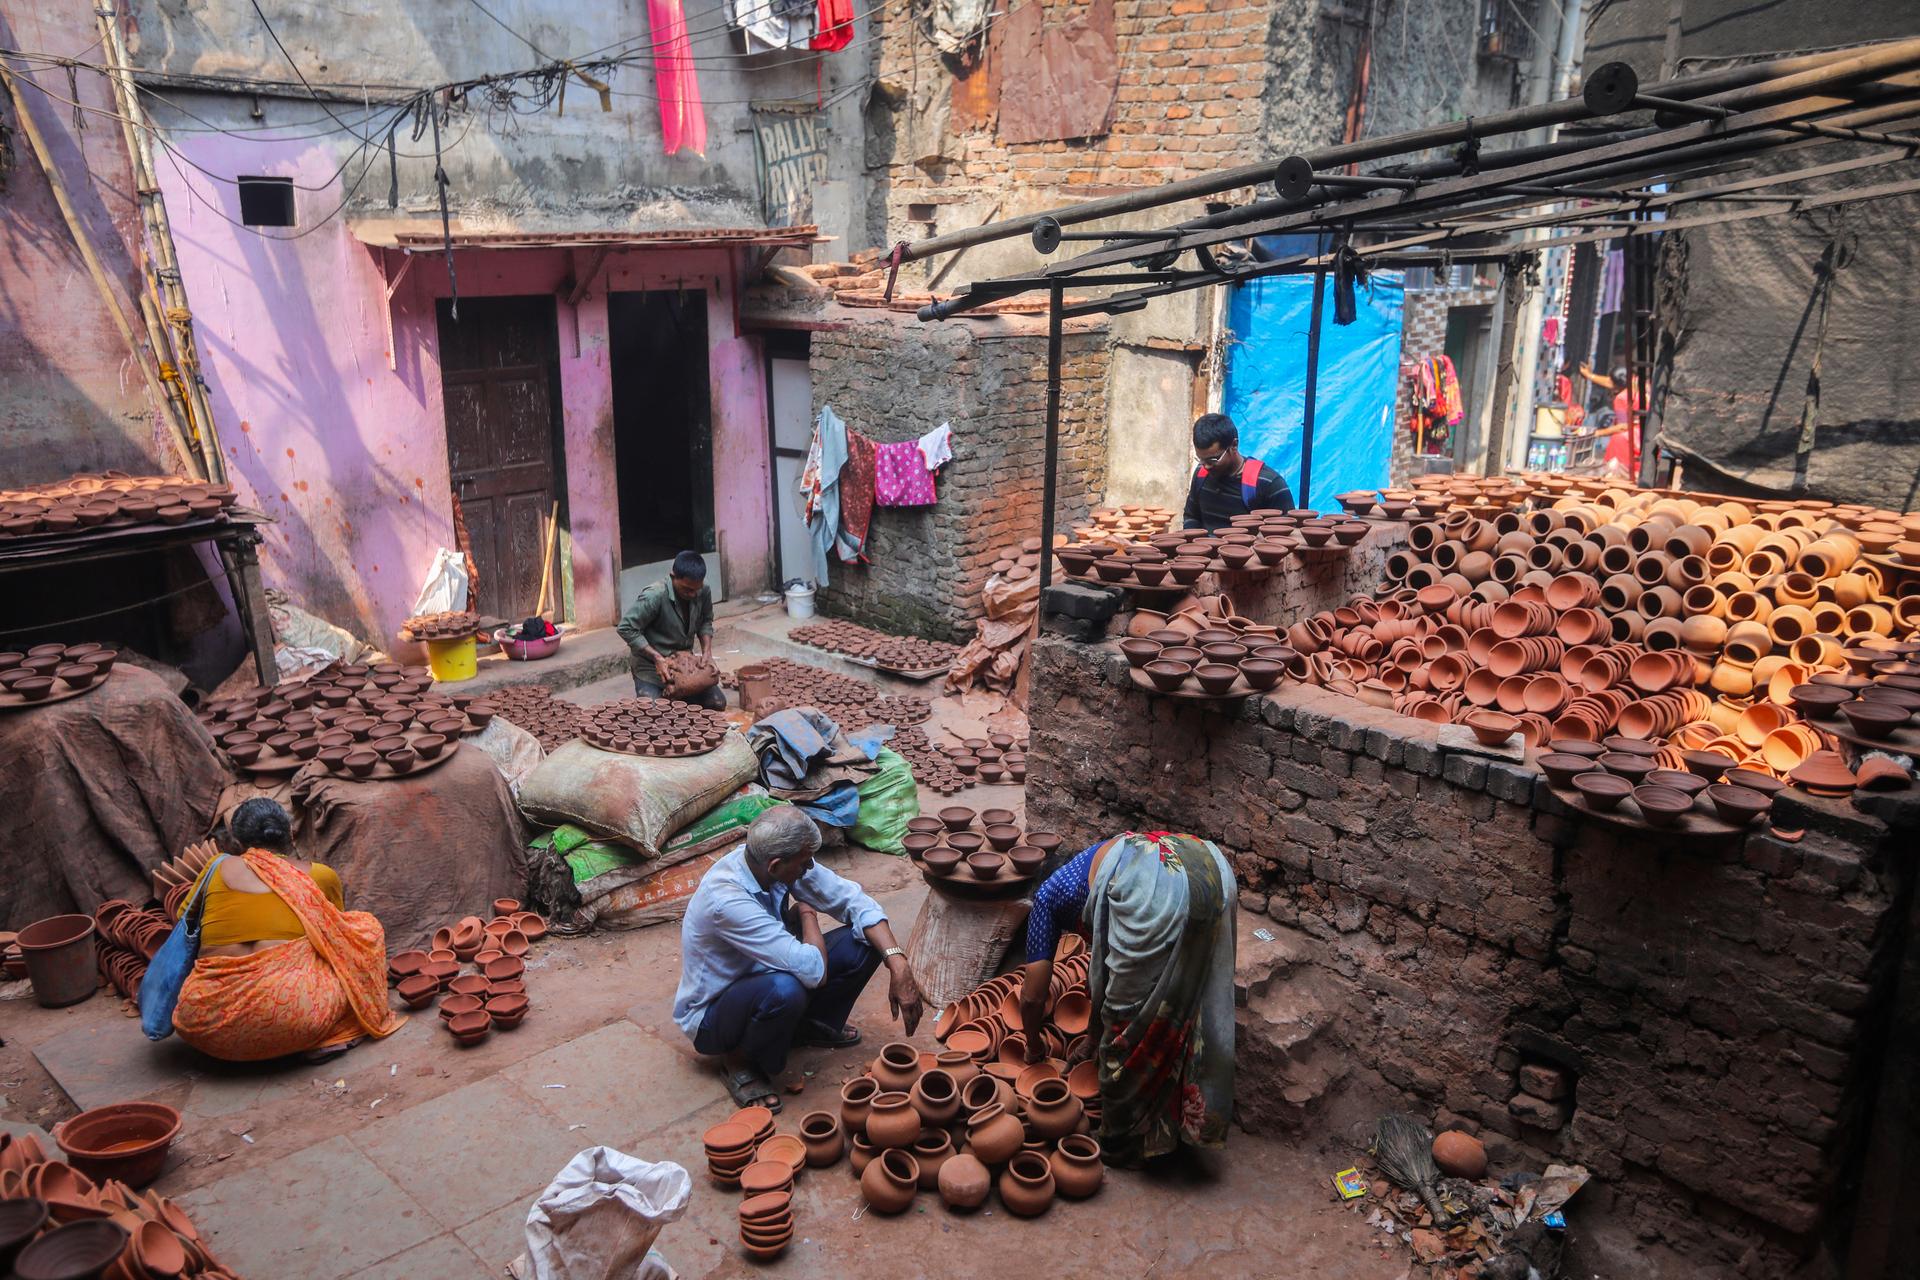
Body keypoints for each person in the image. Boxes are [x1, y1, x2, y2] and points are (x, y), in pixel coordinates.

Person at [673, 807, 924, 1111]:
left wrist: (897, 963)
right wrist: (808, 913)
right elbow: (812, 970)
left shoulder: (775, 864)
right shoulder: (726, 899)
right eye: (804, 864)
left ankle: (806, 1027)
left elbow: (856, 902)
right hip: (714, 1017)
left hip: (767, 972)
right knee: (785, 989)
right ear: (776, 865)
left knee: (867, 941)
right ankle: (739, 1061)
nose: (809, 869)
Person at [1019, 830, 1237, 1167]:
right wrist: (1090, 1040)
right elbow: (1102, 970)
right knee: (1188, 995)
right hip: (1210, 865)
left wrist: (1034, 1046)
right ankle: (1184, 1125)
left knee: (1128, 1030)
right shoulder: (1090, 862)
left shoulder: (1046, 898)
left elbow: (1033, 997)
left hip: (1156, 889)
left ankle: (1125, 1143)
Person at [171, 799, 403, 1063]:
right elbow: (338, 937)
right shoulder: (320, 875)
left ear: (237, 843)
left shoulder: (215, 869)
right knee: (363, 930)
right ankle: (314, 1039)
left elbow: (184, 922)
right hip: (295, 1017)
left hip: (204, 1025)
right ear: (290, 833)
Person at [615, 550, 724, 708]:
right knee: (655, 713)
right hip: (650, 666)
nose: (693, 594)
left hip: (683, 664)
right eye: (687, 589)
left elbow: (705, 621)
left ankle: (681, 691)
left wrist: (707, 652)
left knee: (717, 703)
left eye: (696, 589)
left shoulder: (703, 590)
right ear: (673, 577)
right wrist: (657, 658)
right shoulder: (655, 595)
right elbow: (626, 627)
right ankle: (663, 690)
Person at [1182, 413, 1294, 531]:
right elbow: (1191, 516)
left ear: (1234, 445)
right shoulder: (1201, 475)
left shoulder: (1269, 484)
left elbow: (1285, 532)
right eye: (1201, 459)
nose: (1206, 466)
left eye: (1213, 460)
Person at [1578, 364, 1644, 477]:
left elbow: (1623, 426)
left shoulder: (1621, 398)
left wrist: (1597, 433)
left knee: (1615, 472)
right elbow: (1612, 382)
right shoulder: (1641, 387)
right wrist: (1590, 375)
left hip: (1628, 441)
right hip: (1644, 437)